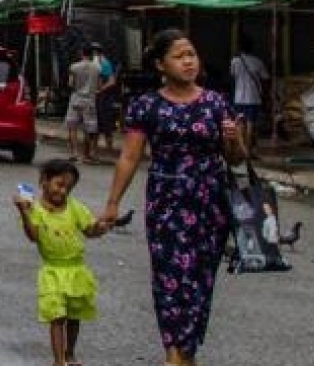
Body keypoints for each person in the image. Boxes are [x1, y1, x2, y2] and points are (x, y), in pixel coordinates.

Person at [99, 28, 246, 366]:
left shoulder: (216, 102)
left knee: (201, 281)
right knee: (169, 280)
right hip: (166, 203)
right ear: (161, 64)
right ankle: (173, 353)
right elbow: (129, 157)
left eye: (191, 54)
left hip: (210, 202)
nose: (188, 61)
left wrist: (234, 139)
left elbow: (236, 159)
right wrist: (112, 203)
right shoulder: (146, 106)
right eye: (179, 56)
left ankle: (186, 352)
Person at [14, 159, 105, 366]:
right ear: (43, 181)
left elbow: (89, 230)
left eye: (69, 188)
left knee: (74, 316)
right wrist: (23, 212)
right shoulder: (34, 210)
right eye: (60, 185)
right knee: (57, 317)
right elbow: (33, 236)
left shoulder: (75, 207)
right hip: (53, 271)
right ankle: (58, 361)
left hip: (76, 270)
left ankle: (69, 353)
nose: (63, 192)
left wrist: (100, 226)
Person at [64, 46, 102, 164]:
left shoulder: (74, 67)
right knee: (89, 128)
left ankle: (74, 153)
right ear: (91, 55)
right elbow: (99, 86)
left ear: (82, 53)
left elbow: (70, 84)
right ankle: (88, 154)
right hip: (89, 101)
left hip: (75, 99)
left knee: (72, 127)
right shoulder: (97, 68)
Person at [229, 42, 270, 149]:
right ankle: (248, 148)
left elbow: (233, 77)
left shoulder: (235, 61)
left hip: (239, 98)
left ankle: (242, 149)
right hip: (253, 98)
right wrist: (265, 94)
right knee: (250, 124)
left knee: (240, 123)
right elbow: (265, 78)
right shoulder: (257, 62)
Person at [94, 46, 119, 154]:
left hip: (104, 98)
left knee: (106, 124)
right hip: (99, 97)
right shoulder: (97, 63)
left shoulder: (104, 63)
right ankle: (95, 149)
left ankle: (109, 149)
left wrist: (100, 90)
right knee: (95, 124)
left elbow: (112, 81)